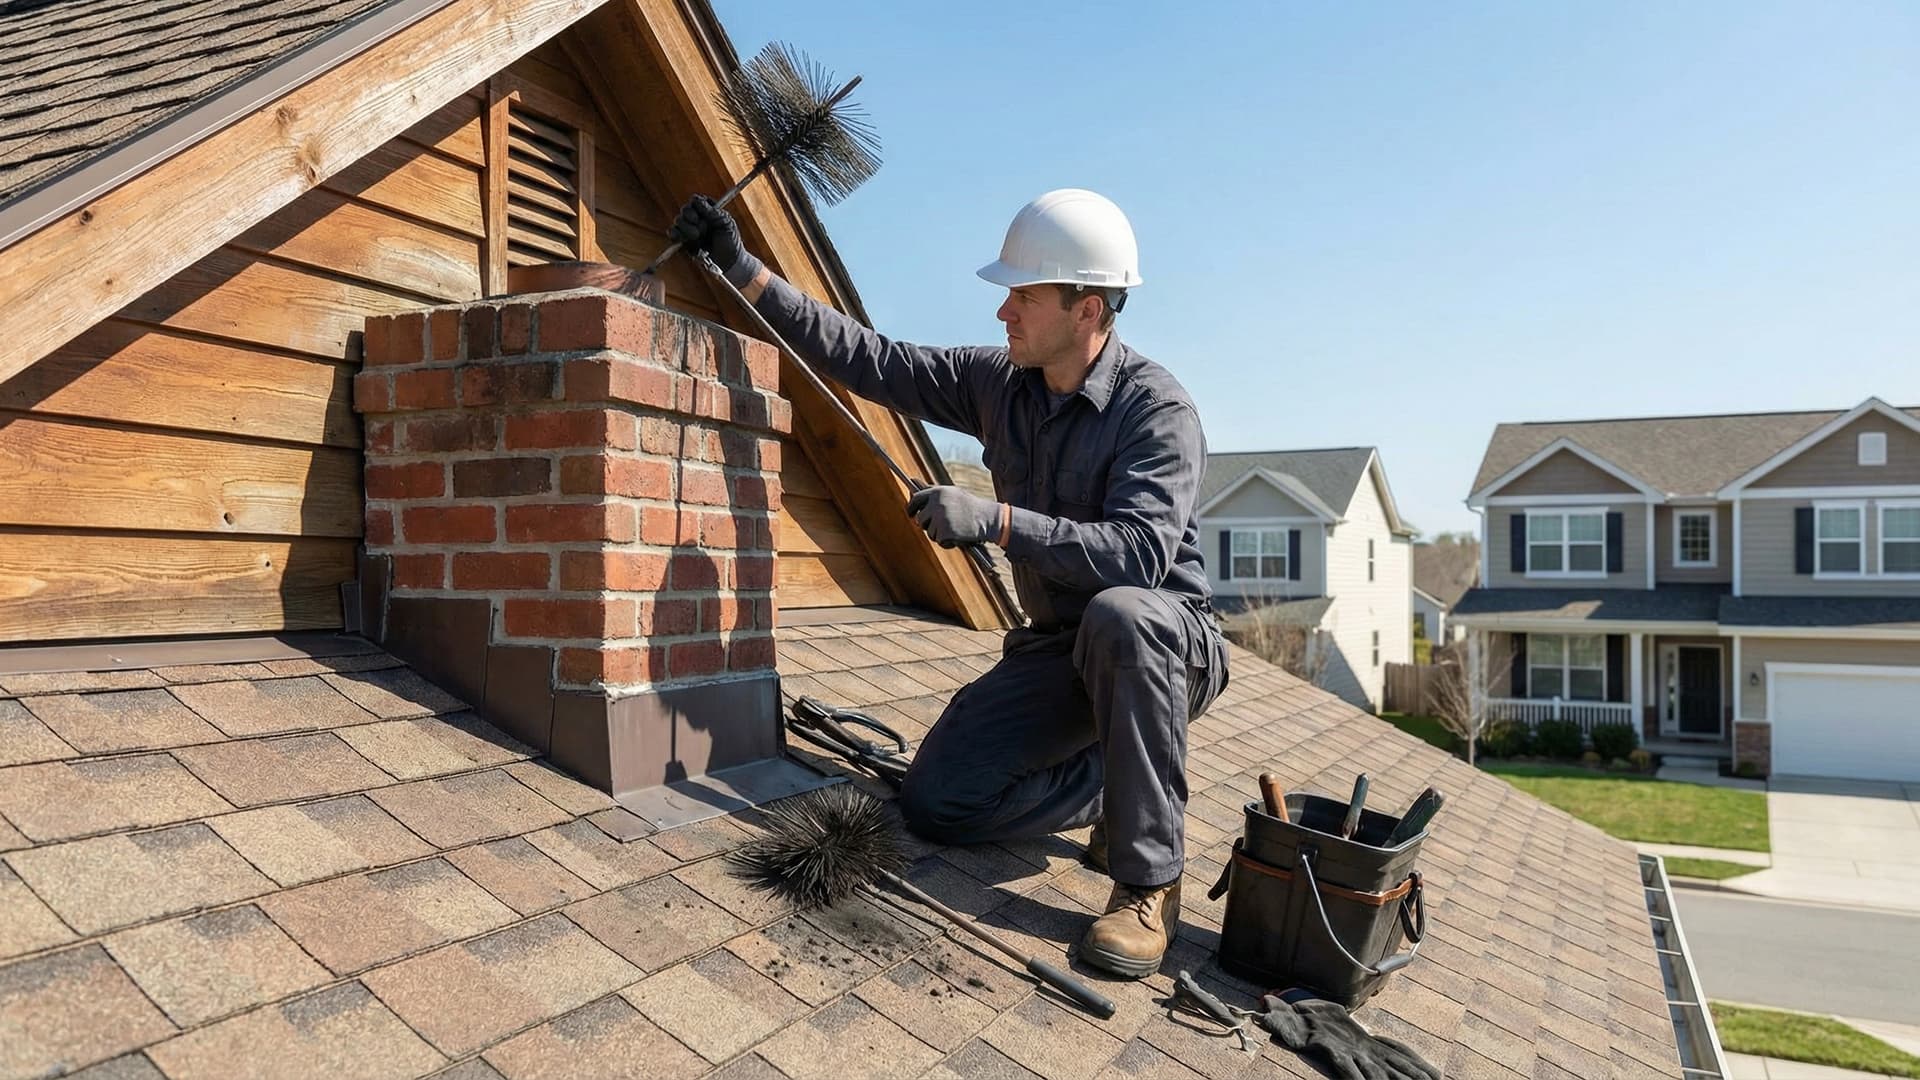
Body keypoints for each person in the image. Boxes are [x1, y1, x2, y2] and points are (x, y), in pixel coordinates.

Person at [669, 188, 1229, 979]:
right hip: (1061, 650)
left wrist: (998, 522)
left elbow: (1138, 556)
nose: (1004, 312)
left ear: (1088, 309)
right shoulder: (1000, 383)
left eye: (1024, 296)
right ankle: (1116, 787)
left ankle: (1148, 882)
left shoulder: (1156, 412)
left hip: (1166, 646)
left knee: (1123, 616)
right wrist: (740, 267)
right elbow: (870, 359)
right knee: (939, 803)